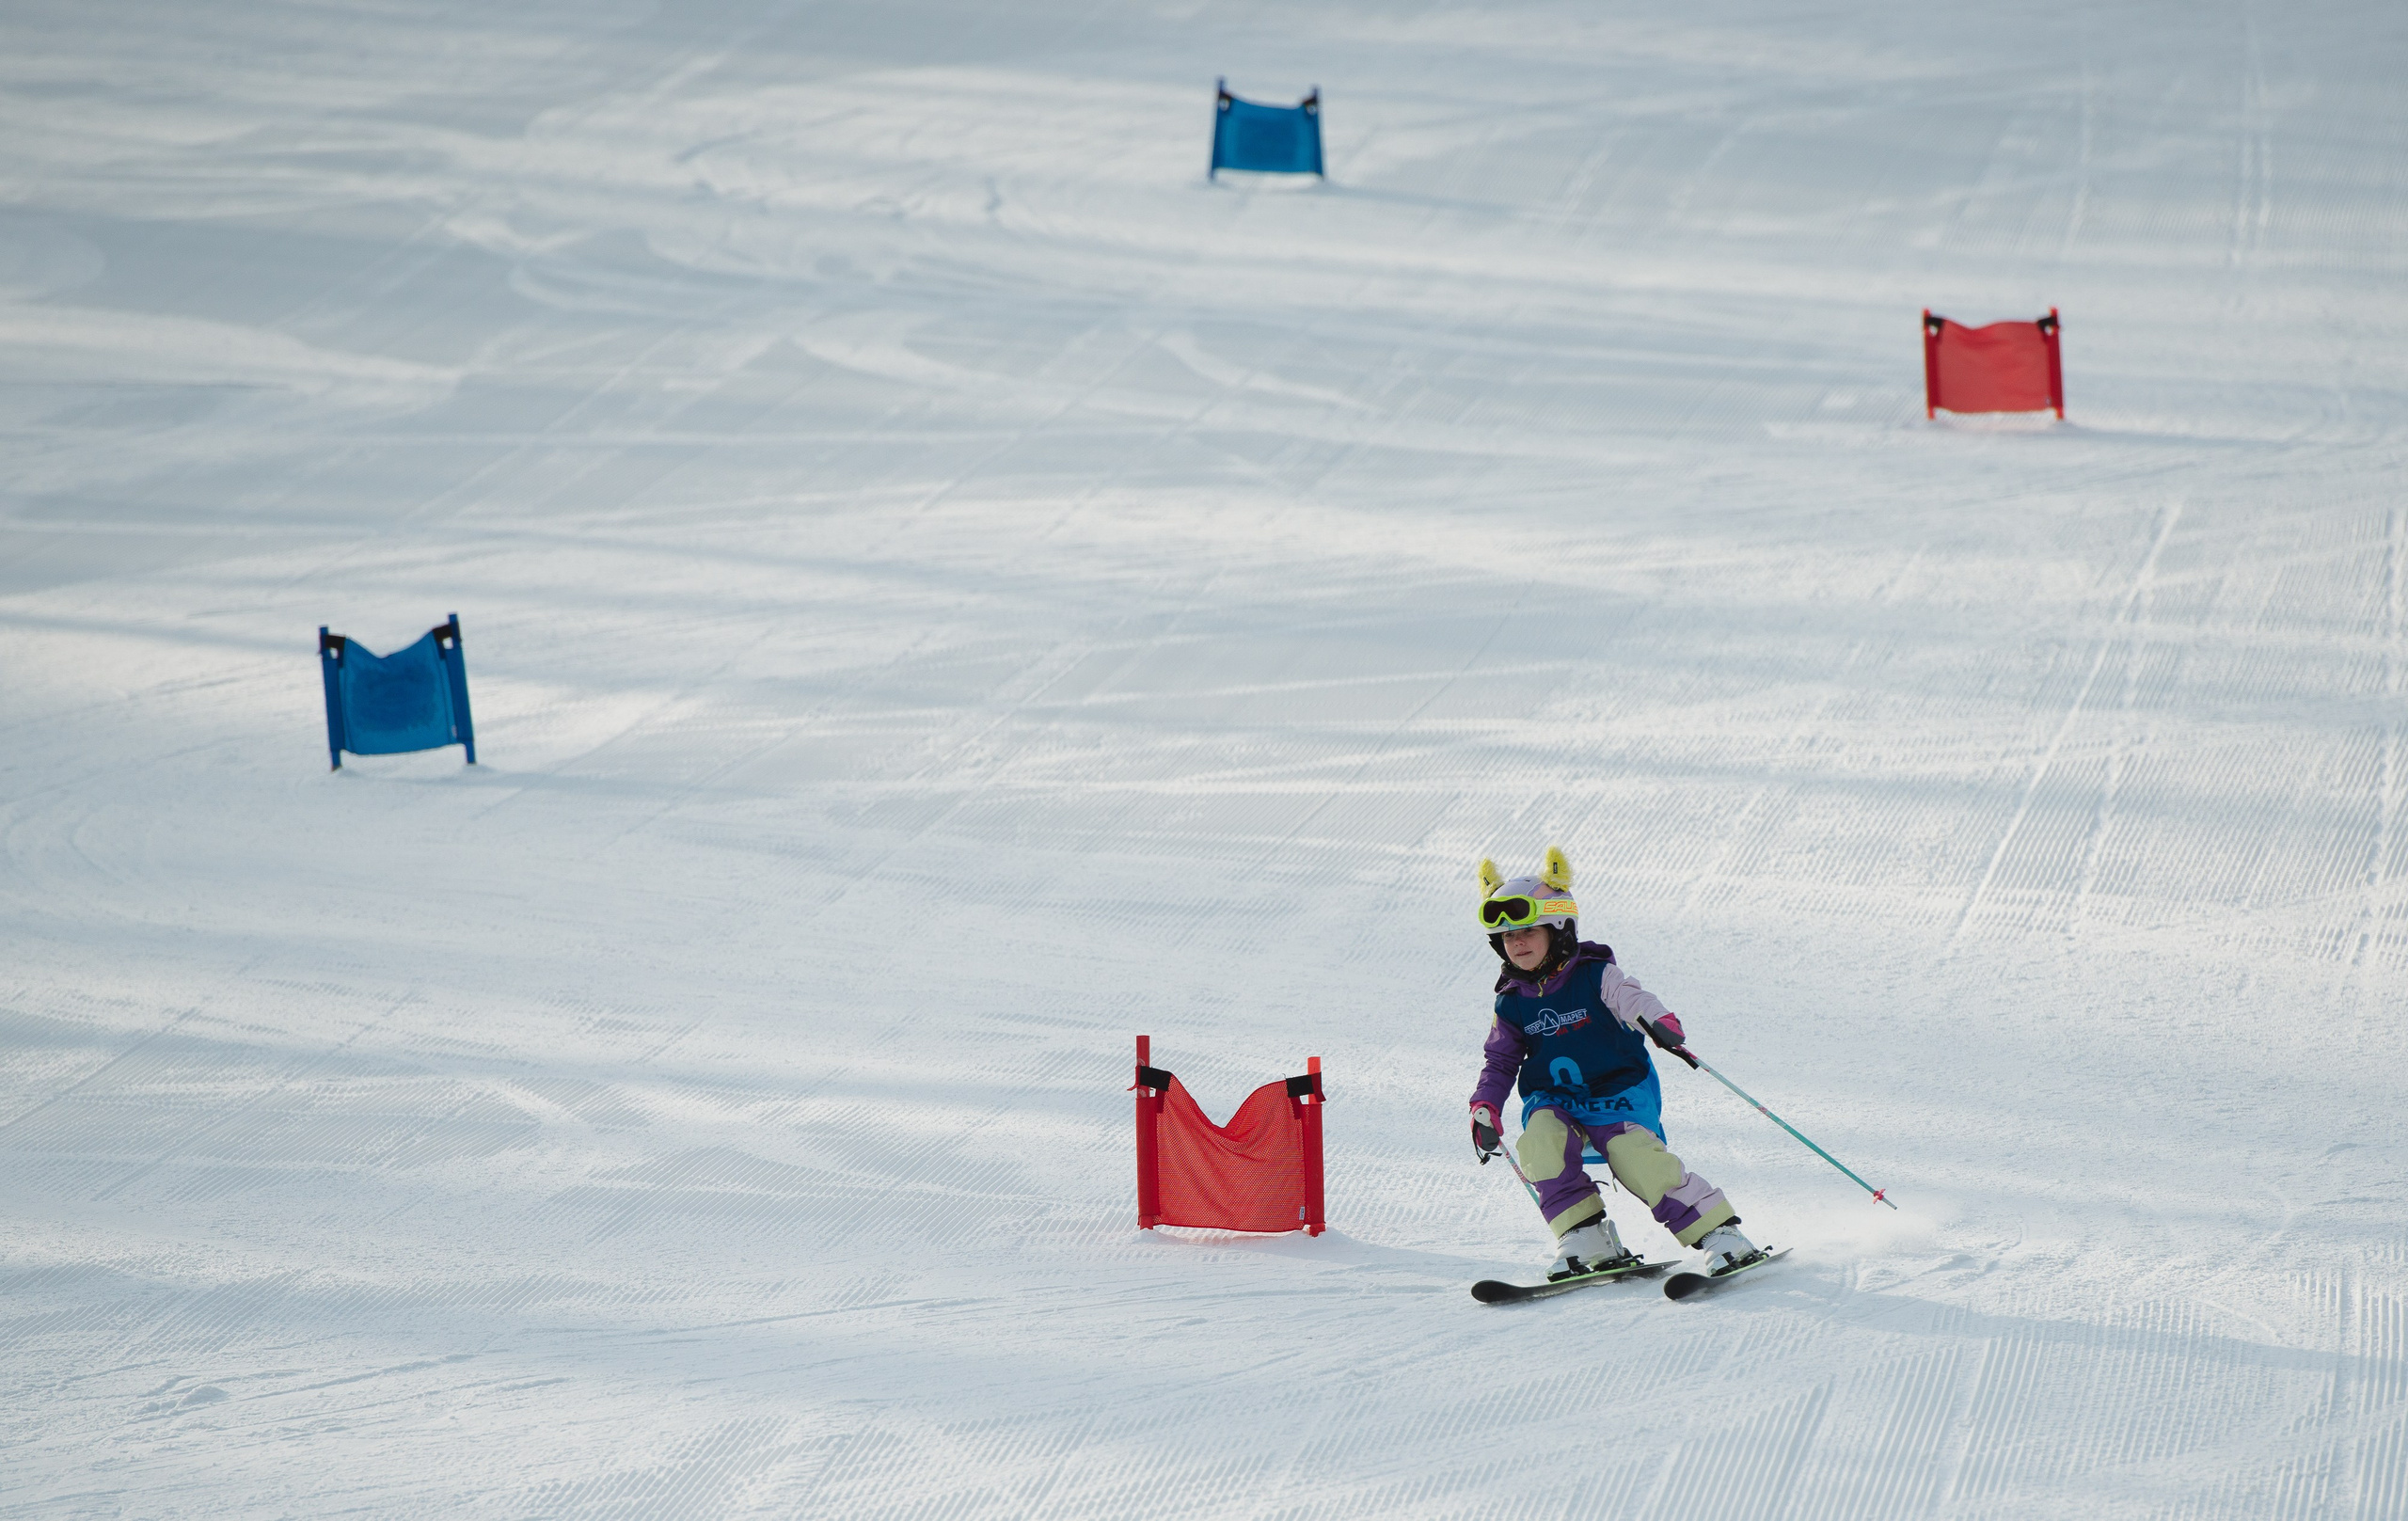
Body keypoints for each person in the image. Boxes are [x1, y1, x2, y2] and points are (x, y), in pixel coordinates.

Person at [1466, 847, 1762, 1281]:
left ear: (1559, 930)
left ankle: (1722, 1236)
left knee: (1634, 1157)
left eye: (1529, 931)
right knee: (1540, 1142)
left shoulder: (1594, 974)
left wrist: (1658, 1021)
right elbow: (1499, 1061)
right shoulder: (1511, 1002)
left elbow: (1631, 998)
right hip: (1556, 1100)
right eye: (1509, 937)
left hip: (1619, 1092)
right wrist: (1484, 1106)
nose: (1518, 943)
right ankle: (1585, 1235)